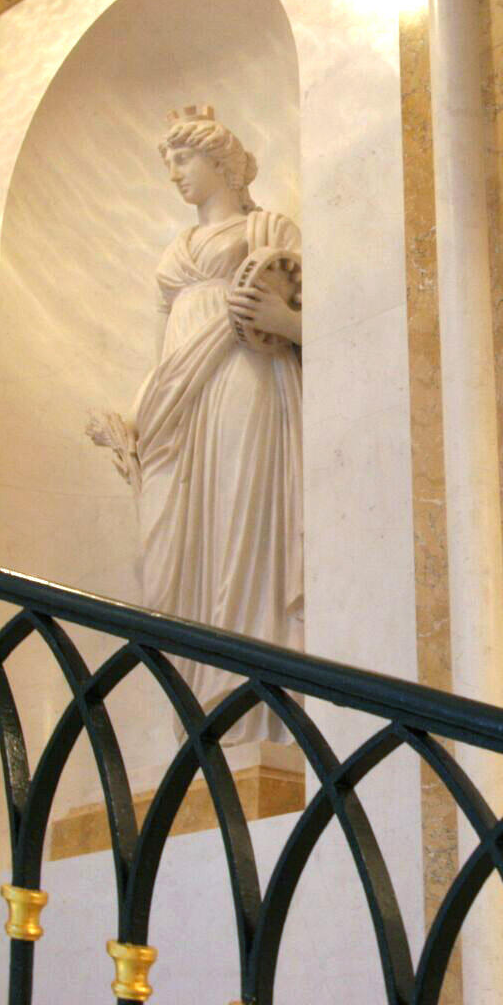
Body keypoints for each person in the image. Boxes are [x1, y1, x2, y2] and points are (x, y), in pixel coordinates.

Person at [94, 105, 302, 745]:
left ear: (222, 162)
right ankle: (197, 710)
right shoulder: (176, 251)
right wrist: (129, 416)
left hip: (244, 379)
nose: (175, 175)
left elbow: (321, 320)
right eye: (169, 164)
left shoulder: (269, 226)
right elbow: (167, 350)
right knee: (168, 555)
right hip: (173, 403)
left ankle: (249, 706)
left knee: (240, 522)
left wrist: (285, 321)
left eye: (183, 160)